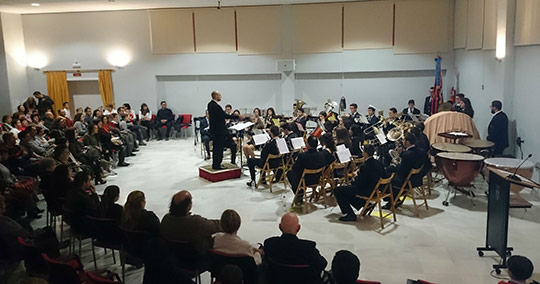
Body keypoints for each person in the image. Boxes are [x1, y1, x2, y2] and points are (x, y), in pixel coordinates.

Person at [263, 213, 327, 279]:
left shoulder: (269, 243)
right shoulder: (308, 248)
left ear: (280, 227)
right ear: (298, 228)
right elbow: (322, 264)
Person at [160, 190, 221, 254]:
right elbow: (215, 226)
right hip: (197, 257)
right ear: (188, 206)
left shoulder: (166, 220)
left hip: (173, 255)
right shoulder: (195, 223)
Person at [334, 144, 384, 222]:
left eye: (363, 151)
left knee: (338, 190)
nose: (362, 153)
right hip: (375, 190)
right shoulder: (378, 163)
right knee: (347, 190)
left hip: (366, 190)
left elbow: (359, 184)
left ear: (366, 153)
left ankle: (350, 214)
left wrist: (356, 176)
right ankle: (363, 204)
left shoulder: (365, 166)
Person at [383, 133, 432, 209]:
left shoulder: (406, 155)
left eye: (403, 140)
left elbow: (401, 171)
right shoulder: (422, 151)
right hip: (418, 179)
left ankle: (392, 201)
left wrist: (394, 166)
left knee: (387, 177)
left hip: (408, 181)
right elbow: (429, 166)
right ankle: (395, 199)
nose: (402, 142)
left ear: (408, 142)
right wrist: (419, 175)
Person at [207, 91, 238, 170]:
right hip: (218, 131)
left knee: (218, 148)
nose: (221, 97)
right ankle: (217, 165)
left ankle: (217, 164)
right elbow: (223, 115)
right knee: (218, 148)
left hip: (217, 131)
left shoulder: (211, 105)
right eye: (220, 95)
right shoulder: (214, 106)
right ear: (216, 96)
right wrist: (236, 117)